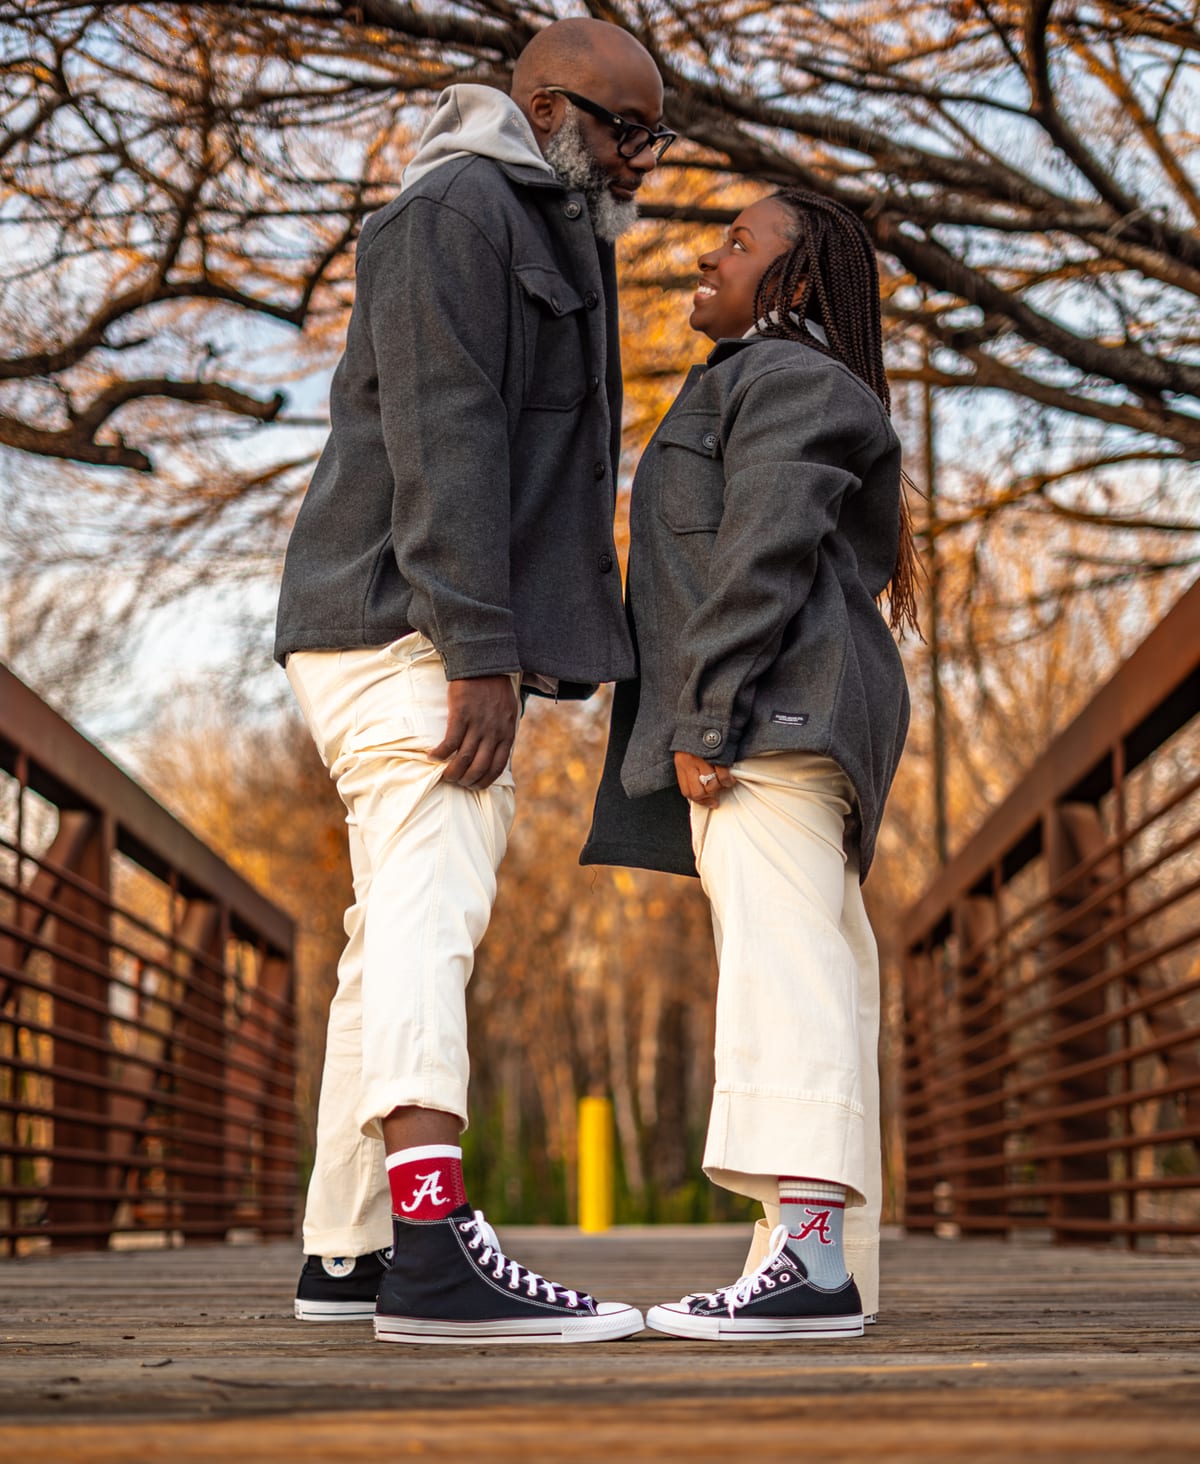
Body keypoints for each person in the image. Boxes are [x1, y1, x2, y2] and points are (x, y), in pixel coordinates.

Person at [276, 18, 675, 1342]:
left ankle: (352, 1251)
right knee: (433, 914)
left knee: (388, 935)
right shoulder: (460, 212)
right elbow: (446, 439)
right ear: (549, 106)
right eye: (627, 129)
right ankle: (437, 1247)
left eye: (656, 134)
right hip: (407, 630)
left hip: (413, 626)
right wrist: (480, 649)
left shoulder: (542, 220)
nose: (647, 159)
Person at [582, 188, 916, 1339]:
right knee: (803, 961)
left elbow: (764, 545)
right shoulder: (777, 378)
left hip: (771, 714)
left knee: (787, 972)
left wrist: (702, 710)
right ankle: (807, 1257)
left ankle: (811, 1263)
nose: (708, 256)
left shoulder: (791, 378)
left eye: (739, 242)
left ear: (798, 279)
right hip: (786, 710)